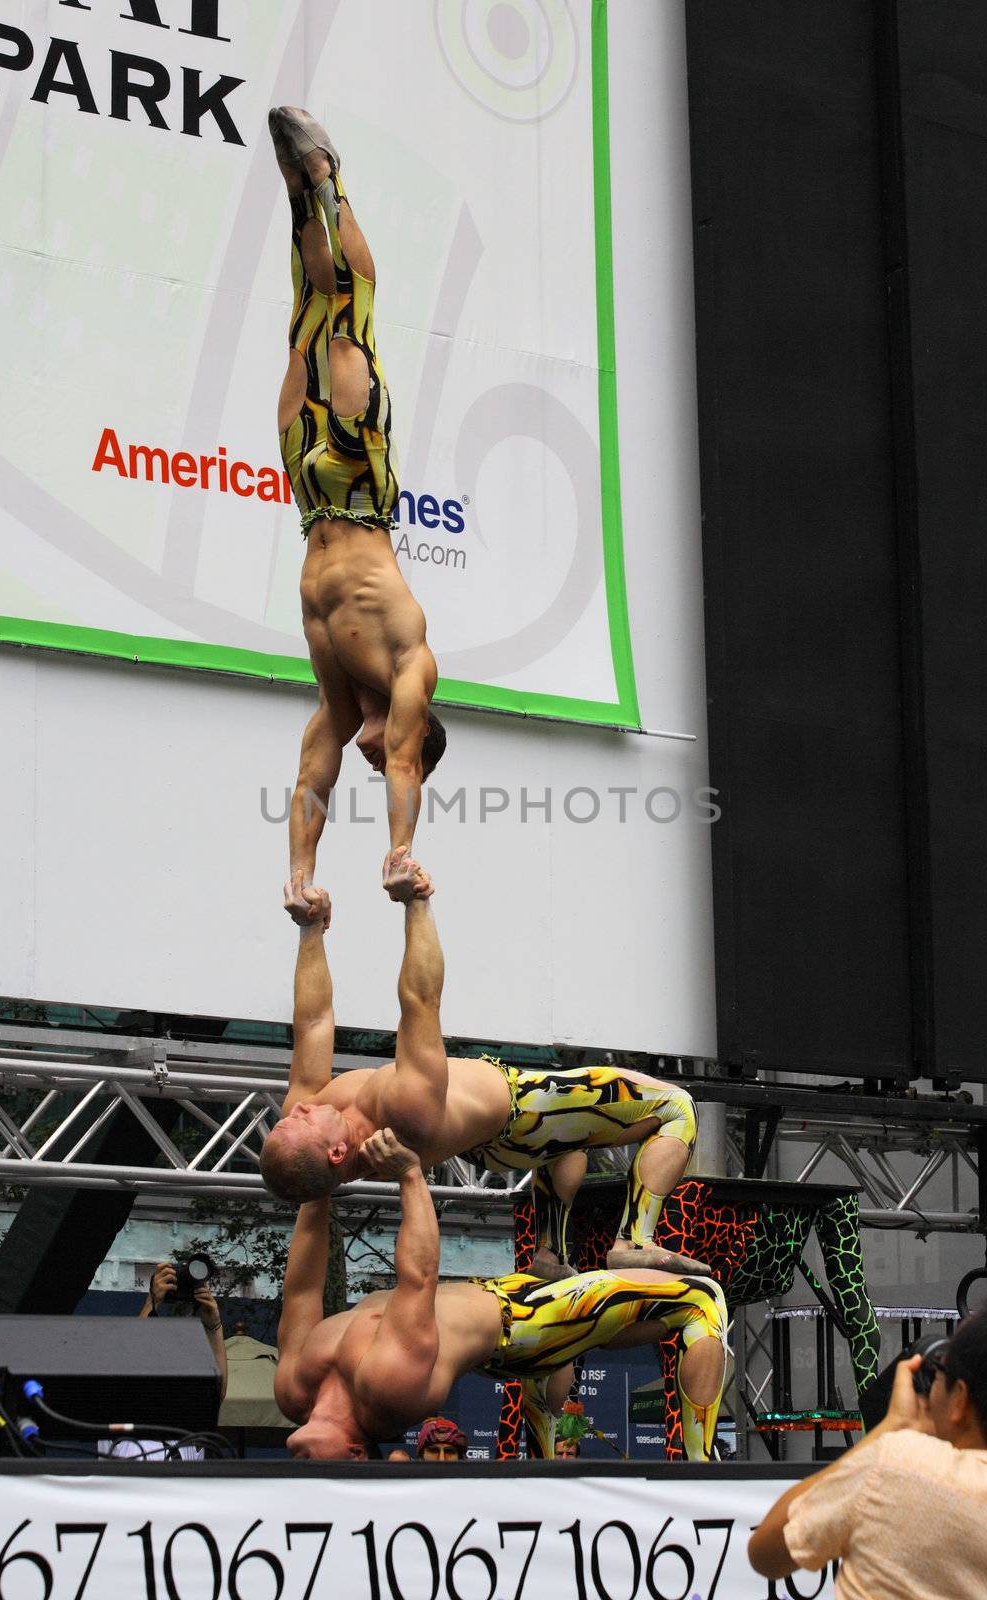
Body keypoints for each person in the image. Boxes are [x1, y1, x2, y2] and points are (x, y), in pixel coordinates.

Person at [260, 853, 708, 1278]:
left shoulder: (322, 1117)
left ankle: (550, 1254)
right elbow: (420, 1002)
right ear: (337, 1153)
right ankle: (633, 1241)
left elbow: (313, 1022)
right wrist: (416, 901)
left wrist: (311, 930)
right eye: (298, 1121)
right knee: (676, 1107)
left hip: (492, 1138)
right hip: (521, 1110)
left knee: (567, 1140)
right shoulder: (401, 1117)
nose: (296, 1109)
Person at [274, 1128, 727, 1462]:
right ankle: (698, 1474)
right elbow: (418, 1277)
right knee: (702, 1298)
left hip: (496, 1301)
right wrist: (410, 1174)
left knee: (565, 1134)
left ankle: (555, 1259)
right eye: (313, 1472)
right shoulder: (387, 1392)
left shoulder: (295, 1390)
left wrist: (316, 1190)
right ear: (355, 1455)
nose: (299, 1470)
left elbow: (300, 1291)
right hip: (523, 1325)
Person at [268, 106, 445, 909]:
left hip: (309, 499)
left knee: (308, 316)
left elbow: (312, 772)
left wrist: (300, 878)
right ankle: (328, 182)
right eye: (386, 756)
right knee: (351, 317)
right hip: (360, 488)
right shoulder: (411, 672)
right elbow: (405, 763)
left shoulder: (340, 699)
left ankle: (301, 202)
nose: (374, 760)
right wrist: (399, 854)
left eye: (369, 760)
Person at [748, 1309, 987, 1596]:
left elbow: (766, 1552)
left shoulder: (895, 1461)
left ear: (959, 1398)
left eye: (941, 1373)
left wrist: (890, 1428)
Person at [99, 1261, 228, 1461]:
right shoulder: (124, 1428)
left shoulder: (189, 1434)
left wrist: (214, 1326)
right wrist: (152, 1301)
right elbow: (126, 1371)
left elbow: (215, 1392)